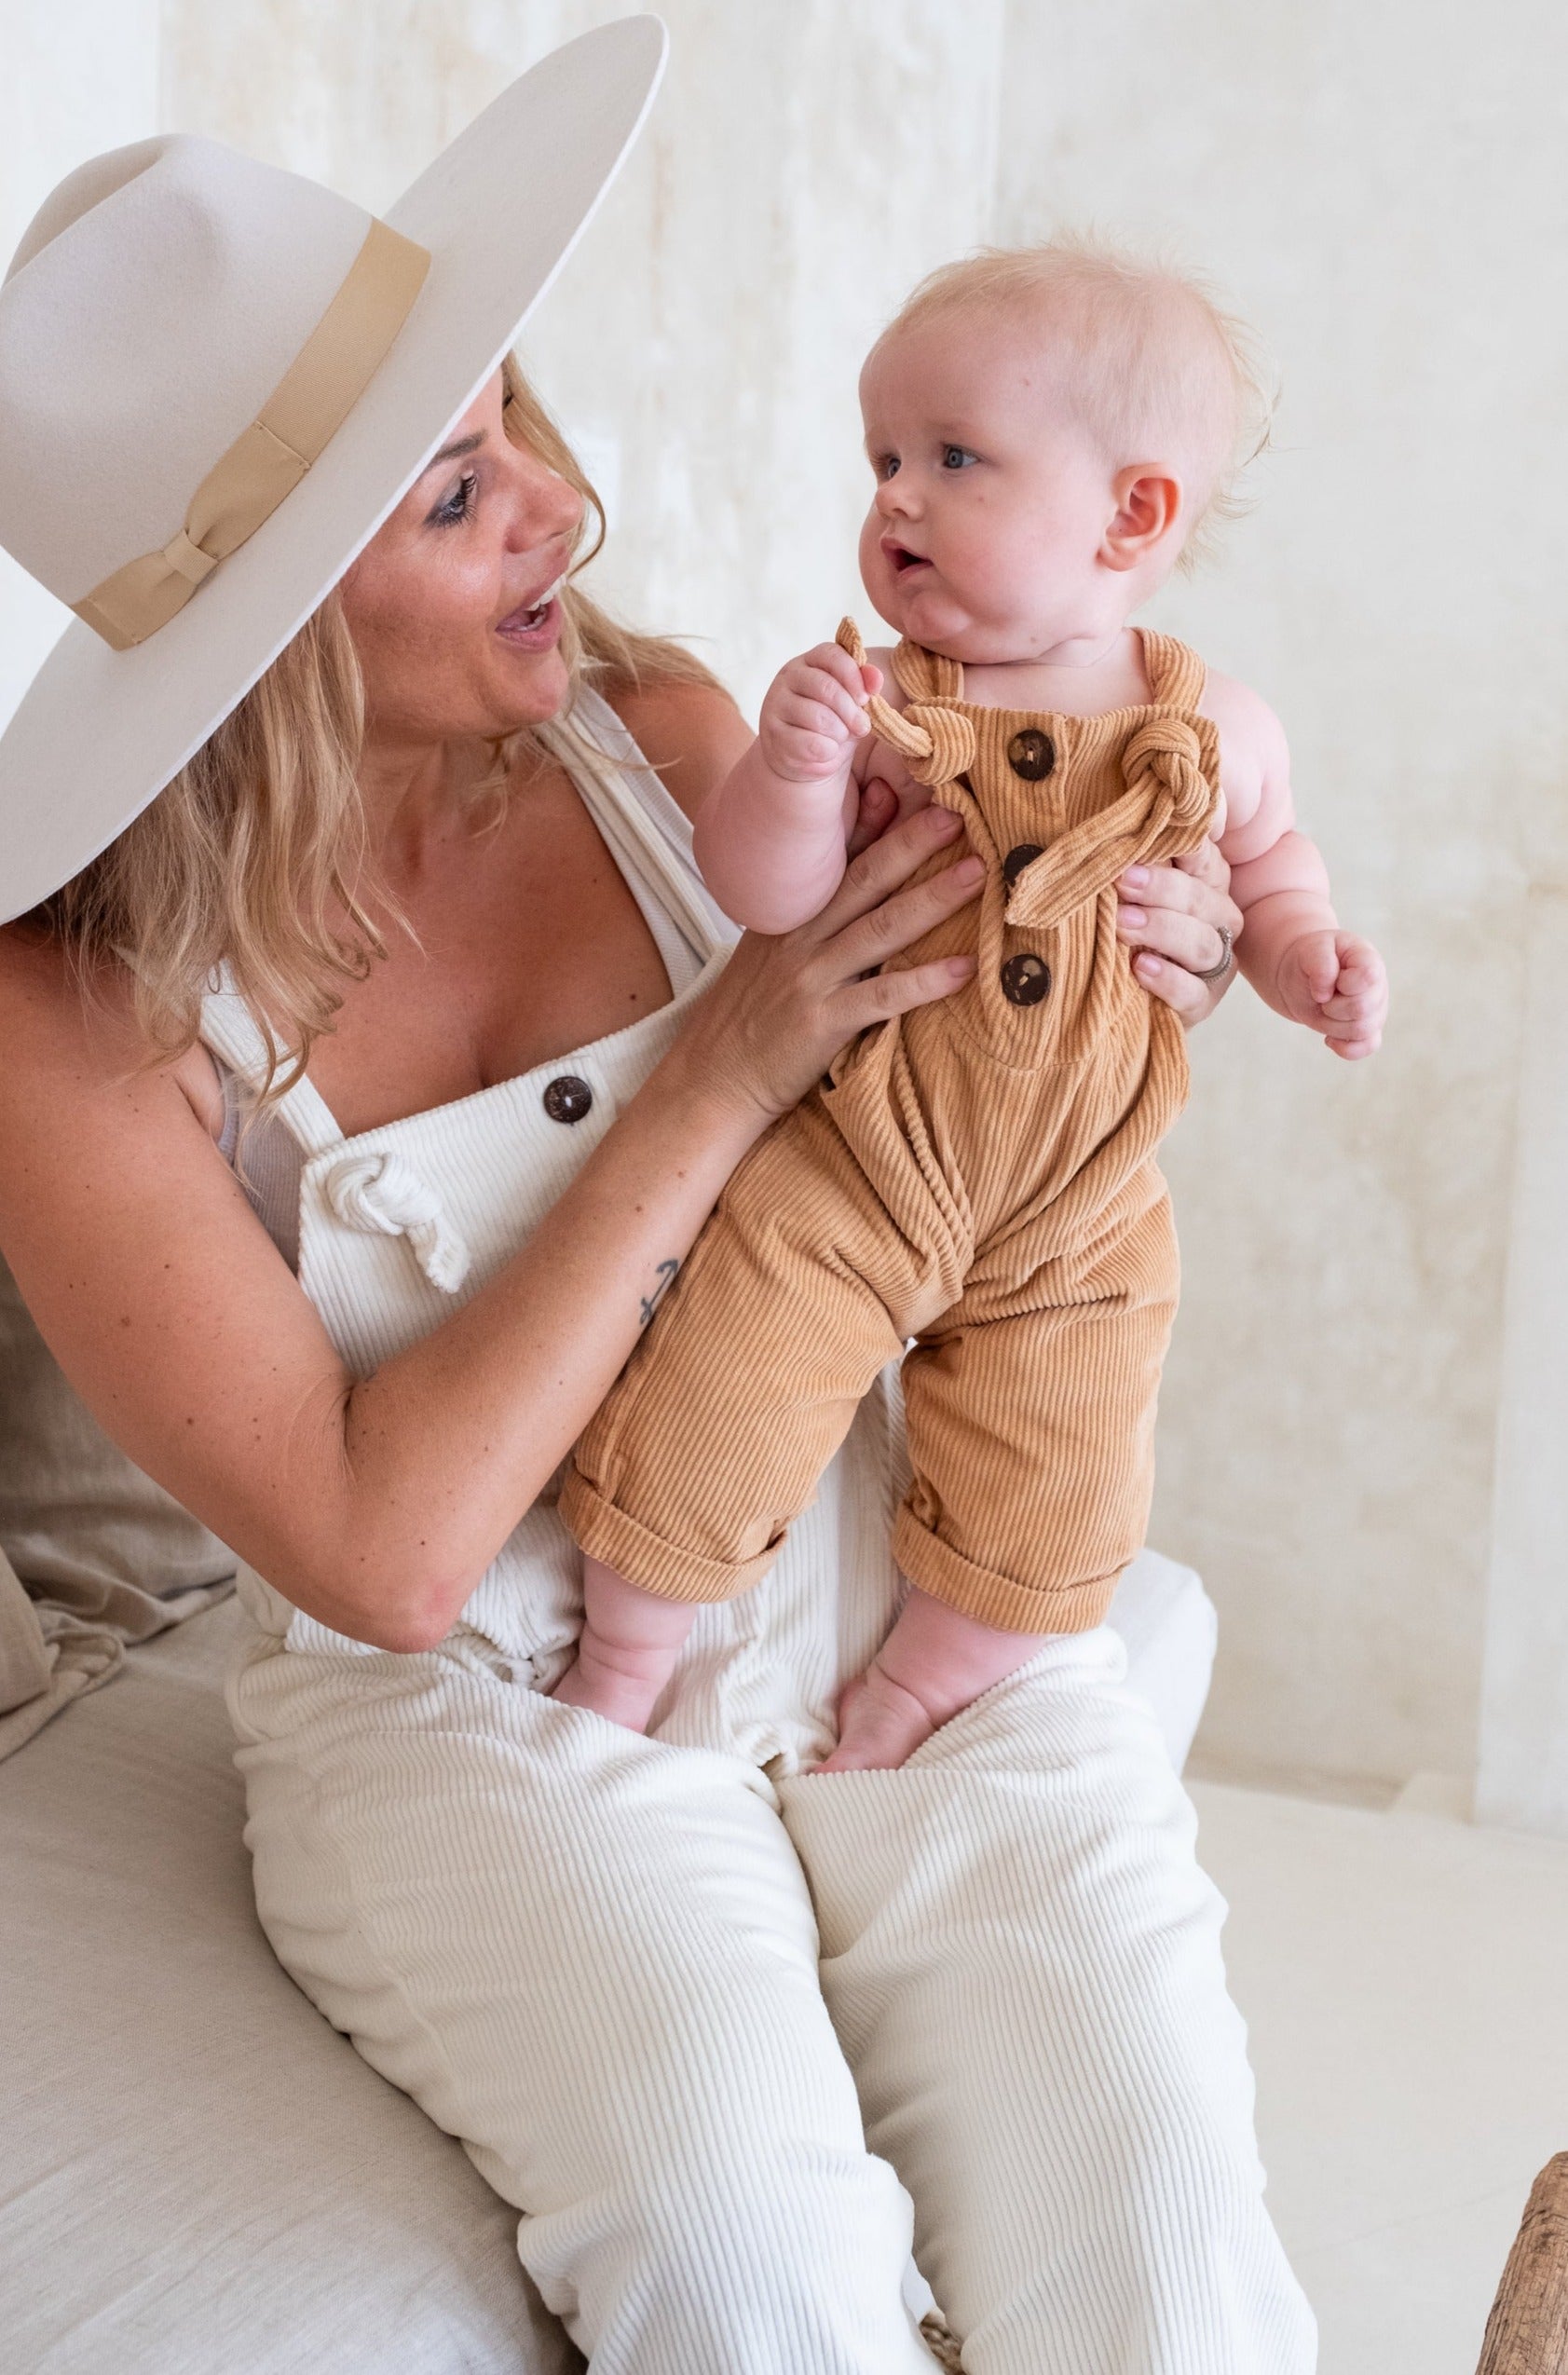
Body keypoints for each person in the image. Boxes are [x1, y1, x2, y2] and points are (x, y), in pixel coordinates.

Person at [0, 35, 1316, 2375]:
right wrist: (708, 1080)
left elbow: (971, 1092)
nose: (557, 515)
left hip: (884, 1581)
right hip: (495, 1717)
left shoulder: (652, 731)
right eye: (451, 496)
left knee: (1159, 2226)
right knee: (742, 2253)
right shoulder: (72, 1013)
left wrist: (1157, 943)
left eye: (512, 422)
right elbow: (387, 1560)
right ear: (261, 622)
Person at [557, 239, 1390, 1772]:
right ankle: (621, 1660)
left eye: (954, 457)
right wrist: (794, 773)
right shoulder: (882, 700)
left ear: (1131, 515)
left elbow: (1272, 873)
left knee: (1060, 1479)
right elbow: (762, 892)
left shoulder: (1213, 726)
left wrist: (1305, 957)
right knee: (718, 1392)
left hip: (1081, 1207)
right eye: (883, 458)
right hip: (862, 1154)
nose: (896, 498)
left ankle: (920, 1693)